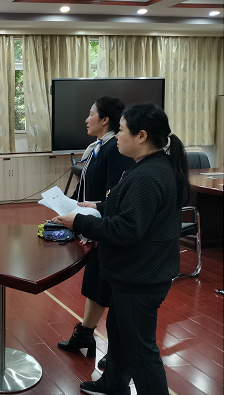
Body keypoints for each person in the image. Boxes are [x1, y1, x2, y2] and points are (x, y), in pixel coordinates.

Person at [54, 104, 190, 395]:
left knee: (141, 351)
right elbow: (132, 209)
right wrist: (97, 207)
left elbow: (127, 229)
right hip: (135, 273)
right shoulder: (151, 166)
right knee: (118, 335)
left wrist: (80, 222)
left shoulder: (147, 176)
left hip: (140, 277)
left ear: (141, 136)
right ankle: (113, 383)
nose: (117, 136)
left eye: (123, 130)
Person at [58, 97, 134, 368]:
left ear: (105, 120)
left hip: (106, 229)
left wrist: (93, 222)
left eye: (91, 114)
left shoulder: (116, 148)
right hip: (95, 227)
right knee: (95, 283)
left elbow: (115, 197)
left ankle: (117, 353)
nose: (86, 119)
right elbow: (86, 188)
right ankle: (86, 335)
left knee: (109, 289)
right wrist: (68, 207)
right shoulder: (98, 147)